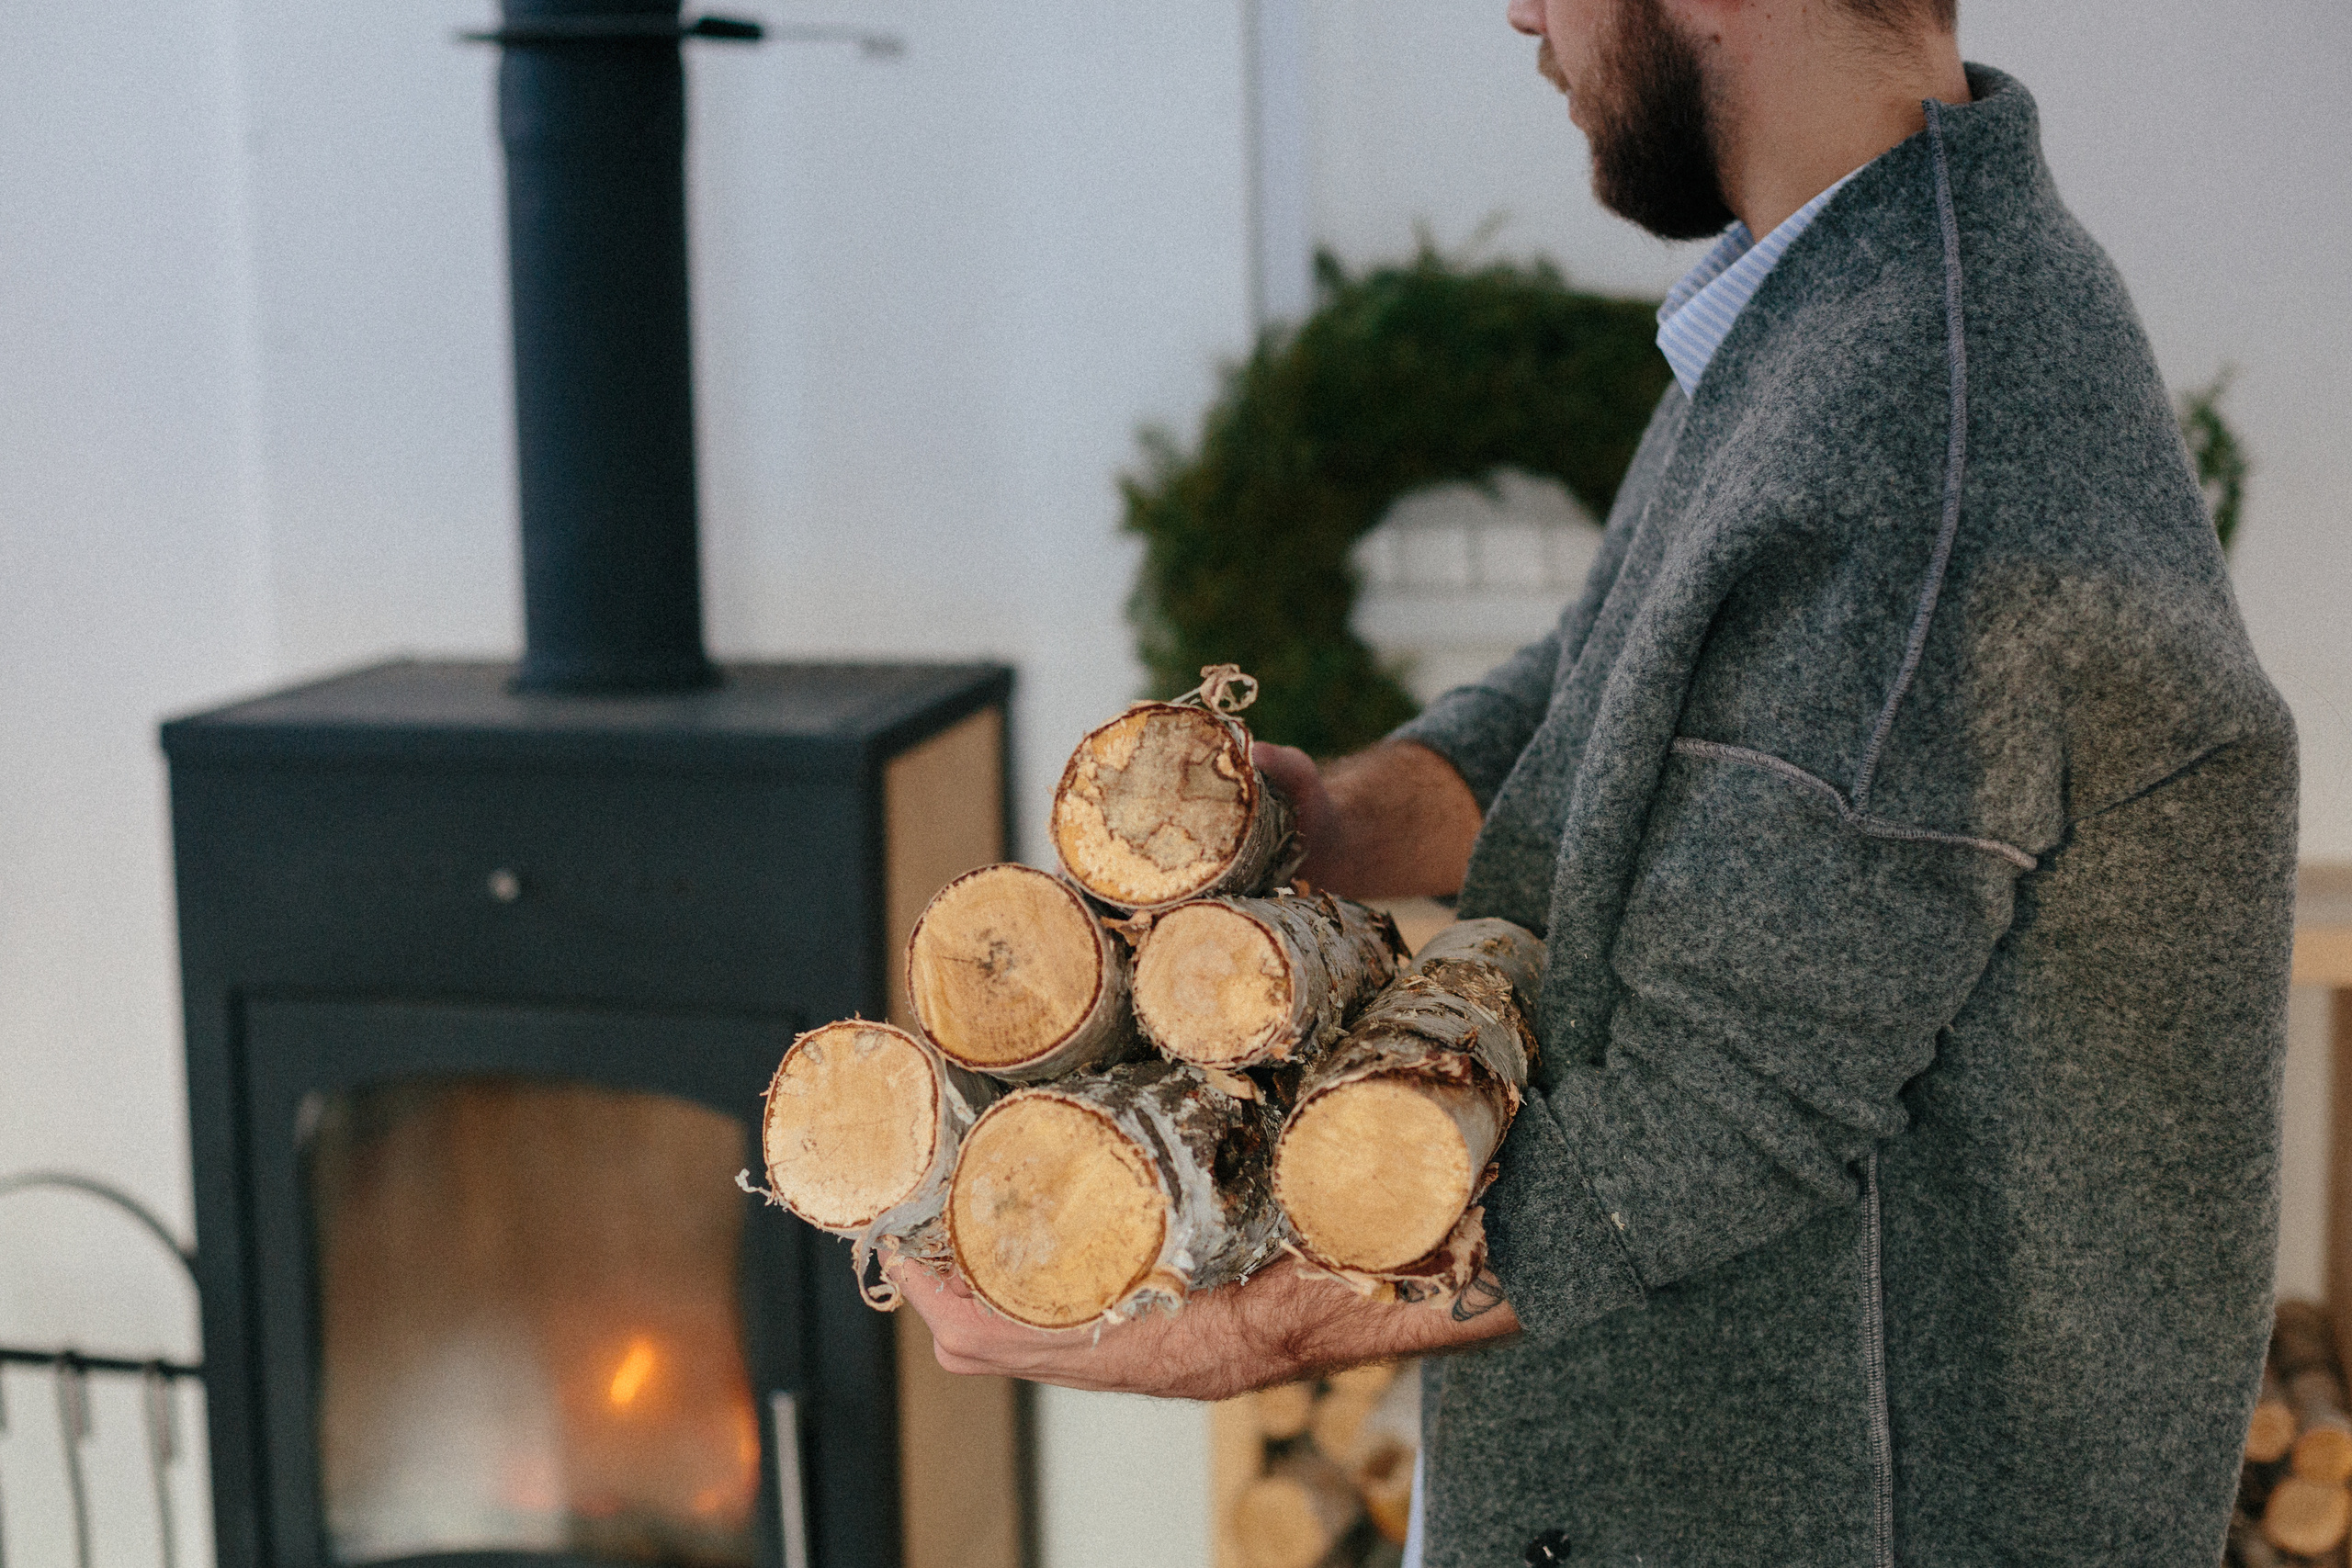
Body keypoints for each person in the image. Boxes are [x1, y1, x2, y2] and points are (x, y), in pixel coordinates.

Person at [891, 0, 2301, 1561]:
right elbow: (1596, 691)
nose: (1518, 11)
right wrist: (1337, 819)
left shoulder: (1924, 424)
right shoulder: (1826, 310)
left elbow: (1709, 1126)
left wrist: (1227, 1331)